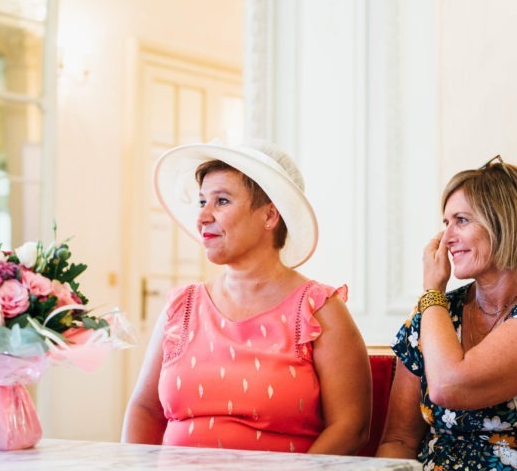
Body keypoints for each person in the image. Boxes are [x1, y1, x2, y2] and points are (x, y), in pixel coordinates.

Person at [121, 139, 371, 454]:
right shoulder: (180, 307)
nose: (202, 217)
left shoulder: (320, 309)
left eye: (221, 201)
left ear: (269, 216)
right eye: (202, 203)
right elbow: (145, 409)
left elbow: (352, 427)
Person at [376, 155, 517, 469]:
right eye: (445, 223)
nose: (446, 239)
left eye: (461, 220)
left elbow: (450, 386)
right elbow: (398, 440)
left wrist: (432, 291)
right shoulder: (436, 312)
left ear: (505, 222)